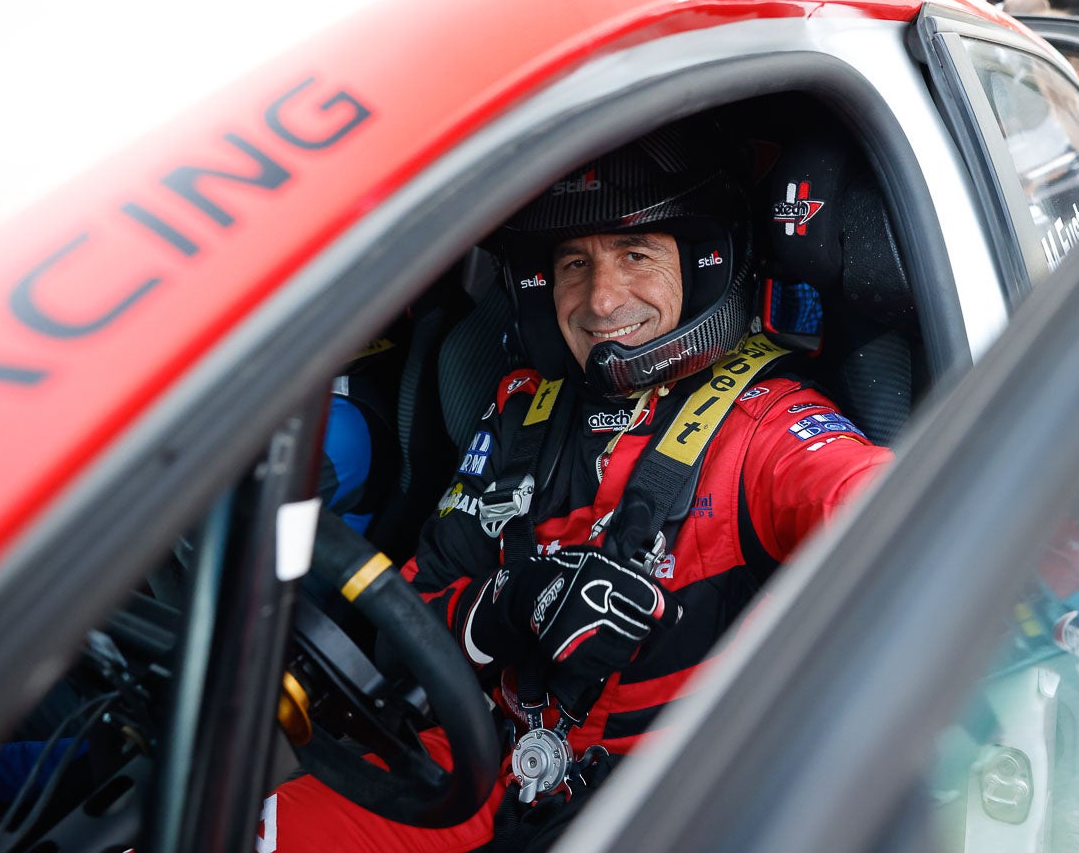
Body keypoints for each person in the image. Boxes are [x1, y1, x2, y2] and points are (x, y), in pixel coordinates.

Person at [263, 120, 893, 852]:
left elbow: (896, 512)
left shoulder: (771, 427)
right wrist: (502, 605)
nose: (599, 300)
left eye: (635, 254)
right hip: (484, 764)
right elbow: (411, 615)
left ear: (705, 264)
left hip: (672, 805)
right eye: (573, 264)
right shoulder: (521, 403)